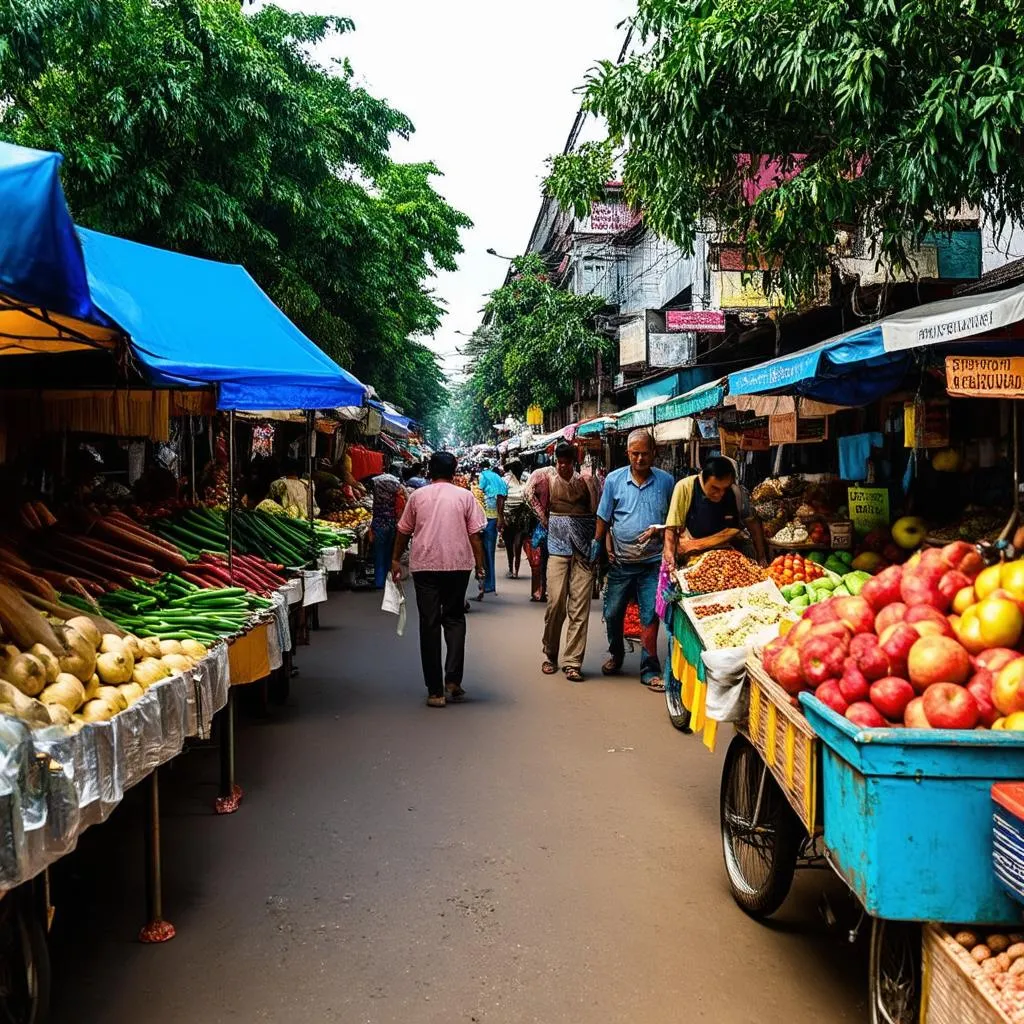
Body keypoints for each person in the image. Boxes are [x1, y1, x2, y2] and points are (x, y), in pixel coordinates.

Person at [392, 452, 486, 708]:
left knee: (429, 623)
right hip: (458, 565)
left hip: (426, 566)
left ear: (429, 471)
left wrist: (394, 560)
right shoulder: (465, 497)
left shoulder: (418, 496)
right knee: (454, 618)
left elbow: (403, 530)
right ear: (454, 471)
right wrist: (480, 566)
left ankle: (435, 691)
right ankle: (453, 681)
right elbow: (475, 535)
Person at [593, 430, 675, 691]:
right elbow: (604, 517)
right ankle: (616, 653)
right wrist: (598, 545)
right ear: (628, 453)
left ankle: (649, 667)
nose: (640, 458)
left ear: (654, 453)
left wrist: (660, 531)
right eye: (635, 453)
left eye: (645, 453)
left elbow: (673, 522)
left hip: (653, 562)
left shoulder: (666, 481)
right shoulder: (614, 480)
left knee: (650, 614)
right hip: (620, 562)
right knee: (613, 612)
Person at [537, 443, 599, 682]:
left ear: (574, 462)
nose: (562, 466)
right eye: (559, 461)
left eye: (567, 462)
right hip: (557, 548)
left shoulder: (587, 481)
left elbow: (597, 510)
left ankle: (573, 662)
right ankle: (550, 653)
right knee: (555, 603)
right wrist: (544, 519)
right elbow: (529, 495)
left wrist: (597, 544)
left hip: (583, 550)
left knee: (579, 608)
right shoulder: (547, 480)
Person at [663, 456, 745, 565]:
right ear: (703, 479)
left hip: (723, 552)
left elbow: (734, 528)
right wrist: (669, 552)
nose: (721, 493)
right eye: (715, 488)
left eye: (725, 488)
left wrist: (697, 544)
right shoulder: (685, 487)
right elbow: (671, 529)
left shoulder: (732, 491)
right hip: (692, 556)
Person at [369, 462, 407, 589]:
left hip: (378, 522)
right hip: (391, 523)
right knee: (389, 552)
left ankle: (379, 581)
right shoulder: (396, 484)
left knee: (379, 552)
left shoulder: (376, 481)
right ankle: (387, 579)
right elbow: (402, 501)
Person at [475, 459, 507, 600]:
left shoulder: (483, 476)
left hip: (485, 515)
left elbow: (479, 493)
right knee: (490, 552)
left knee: (481, 552)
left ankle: (486, 584)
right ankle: (490, 584)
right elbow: (502, 497)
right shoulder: (499, 478)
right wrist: (501, 517)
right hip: (494, 517)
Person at [501, 459, 531, 579]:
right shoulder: (507, 481)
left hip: (518, 518)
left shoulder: (525, 479)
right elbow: (502, 499)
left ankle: (514, 569)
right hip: (512, 518)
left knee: (515, 545)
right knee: (512, 544)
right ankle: (512, 569)